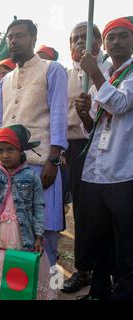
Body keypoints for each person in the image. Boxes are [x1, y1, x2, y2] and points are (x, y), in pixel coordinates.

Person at [0, 20, 69, 266]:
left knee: (45, 232)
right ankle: (19, 290)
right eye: (10, 37)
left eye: (20, 36)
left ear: (34, 39)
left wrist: (54, 160)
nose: (13, 41)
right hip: (8, 168)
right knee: (13, 231)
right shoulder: (5, 81)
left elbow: (58, 115)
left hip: (41, 164)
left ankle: (50, 290)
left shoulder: (52, 69)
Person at [76, 16, 133, 300]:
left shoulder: (130, 74)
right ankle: (99, 290)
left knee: (125, 240)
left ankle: (125, 292)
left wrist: (96, 76)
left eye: (123, 36)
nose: (116, 42)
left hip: (123, 170)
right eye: (111, 38)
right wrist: (85, 116)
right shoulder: (104, 74)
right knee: (98, 237)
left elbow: (121, 104)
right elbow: (93, 130)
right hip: (95, 171)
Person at [0, 125, 56, 300]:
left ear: (21, 150)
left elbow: (39, 207)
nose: (5, 155)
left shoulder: (32, 177)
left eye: (10, 150)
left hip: (24, 236)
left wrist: (39, 236)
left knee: (20, 277)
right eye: (1, 151)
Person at [61, 22, 111, 294]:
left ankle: (105, 271)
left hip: (100, 146)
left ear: (99, 42)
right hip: (70, 148)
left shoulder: (109, 70)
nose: (79, 43)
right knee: (79, 211)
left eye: (85, 37)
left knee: (100, 211)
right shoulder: (66, 75)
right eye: (74, 39)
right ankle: (84, 268)